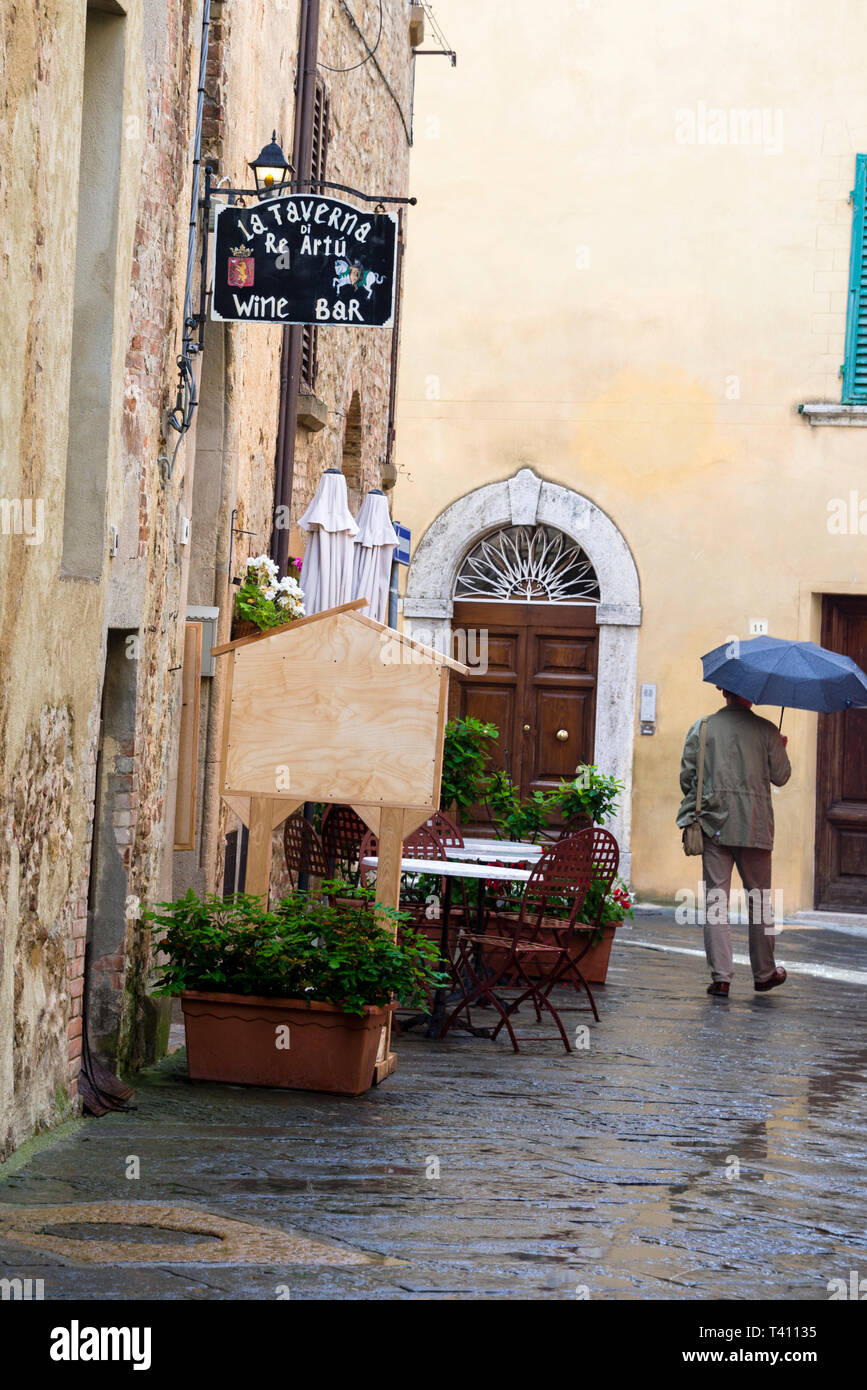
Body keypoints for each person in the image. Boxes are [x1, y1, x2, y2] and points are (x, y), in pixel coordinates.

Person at [677, 689, 791, 997]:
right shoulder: (768, 731)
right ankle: (765, 973)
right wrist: (779, 747)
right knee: (760, 902)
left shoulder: (702, 727)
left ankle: (722, 977)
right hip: (755, 827)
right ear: (751, 698)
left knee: (717, 901)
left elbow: (687, 778)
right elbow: (781, 776)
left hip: (714, 825)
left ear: (724, 692)